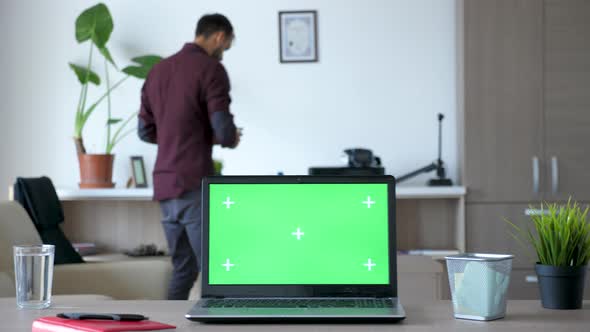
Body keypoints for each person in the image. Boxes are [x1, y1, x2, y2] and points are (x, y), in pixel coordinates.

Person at [137, 13, 240, 300]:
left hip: (165, 186)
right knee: (215, 269)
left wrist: (176, 136)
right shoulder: (211, 70)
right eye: (228, 44)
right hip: (194, 184)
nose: (225, 52)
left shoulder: (157, 71)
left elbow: (145, 132)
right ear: (220, 36)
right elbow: (223, 128)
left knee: (183, 269)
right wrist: (231, 138)